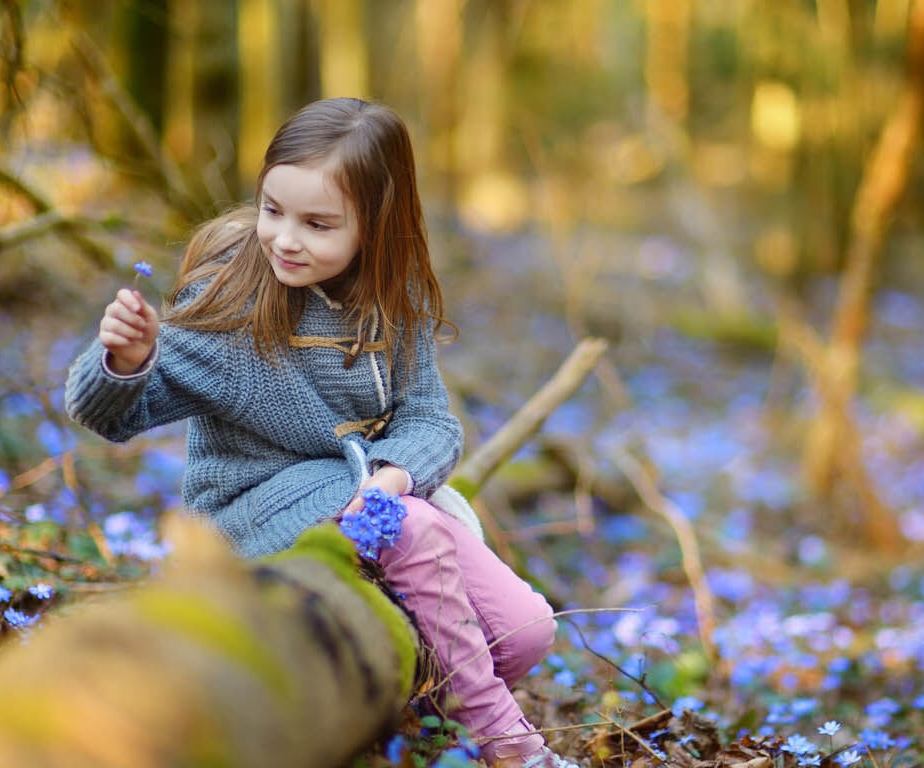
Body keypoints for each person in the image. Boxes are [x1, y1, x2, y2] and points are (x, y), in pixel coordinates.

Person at [65, 98, 576, 768]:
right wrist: (126, 362)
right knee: (414, 530)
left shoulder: (396, 305)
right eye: (273, 210)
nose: (284, 238)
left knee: (528, 633)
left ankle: (405, 715)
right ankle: (516, 751)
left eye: (317, 223)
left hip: (367, 500)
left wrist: (392, 477)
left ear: (376, 226)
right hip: (255, 512)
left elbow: (431, 419)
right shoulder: (235, 299)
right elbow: (111, 413)